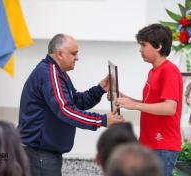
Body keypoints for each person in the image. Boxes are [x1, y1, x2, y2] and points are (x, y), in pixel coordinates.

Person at [18, 33, 124, 176]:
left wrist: (99, 90)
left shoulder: (57, 72)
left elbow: (75, 102)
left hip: (45, 152)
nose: (77, 58)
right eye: (74, 54)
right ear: (60, 54)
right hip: (40, 153)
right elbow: (66, 110)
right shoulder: (50, 74)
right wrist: (101, 120)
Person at [115, 24, 183, 176]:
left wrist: (135, 105)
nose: (140, 50)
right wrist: (126, 98)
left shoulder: (169, 70)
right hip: (150, 144)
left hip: (162, 146)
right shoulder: (154, 71)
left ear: (158, 46)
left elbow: (169, 108)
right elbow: (150, 104)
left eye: (143, 45)